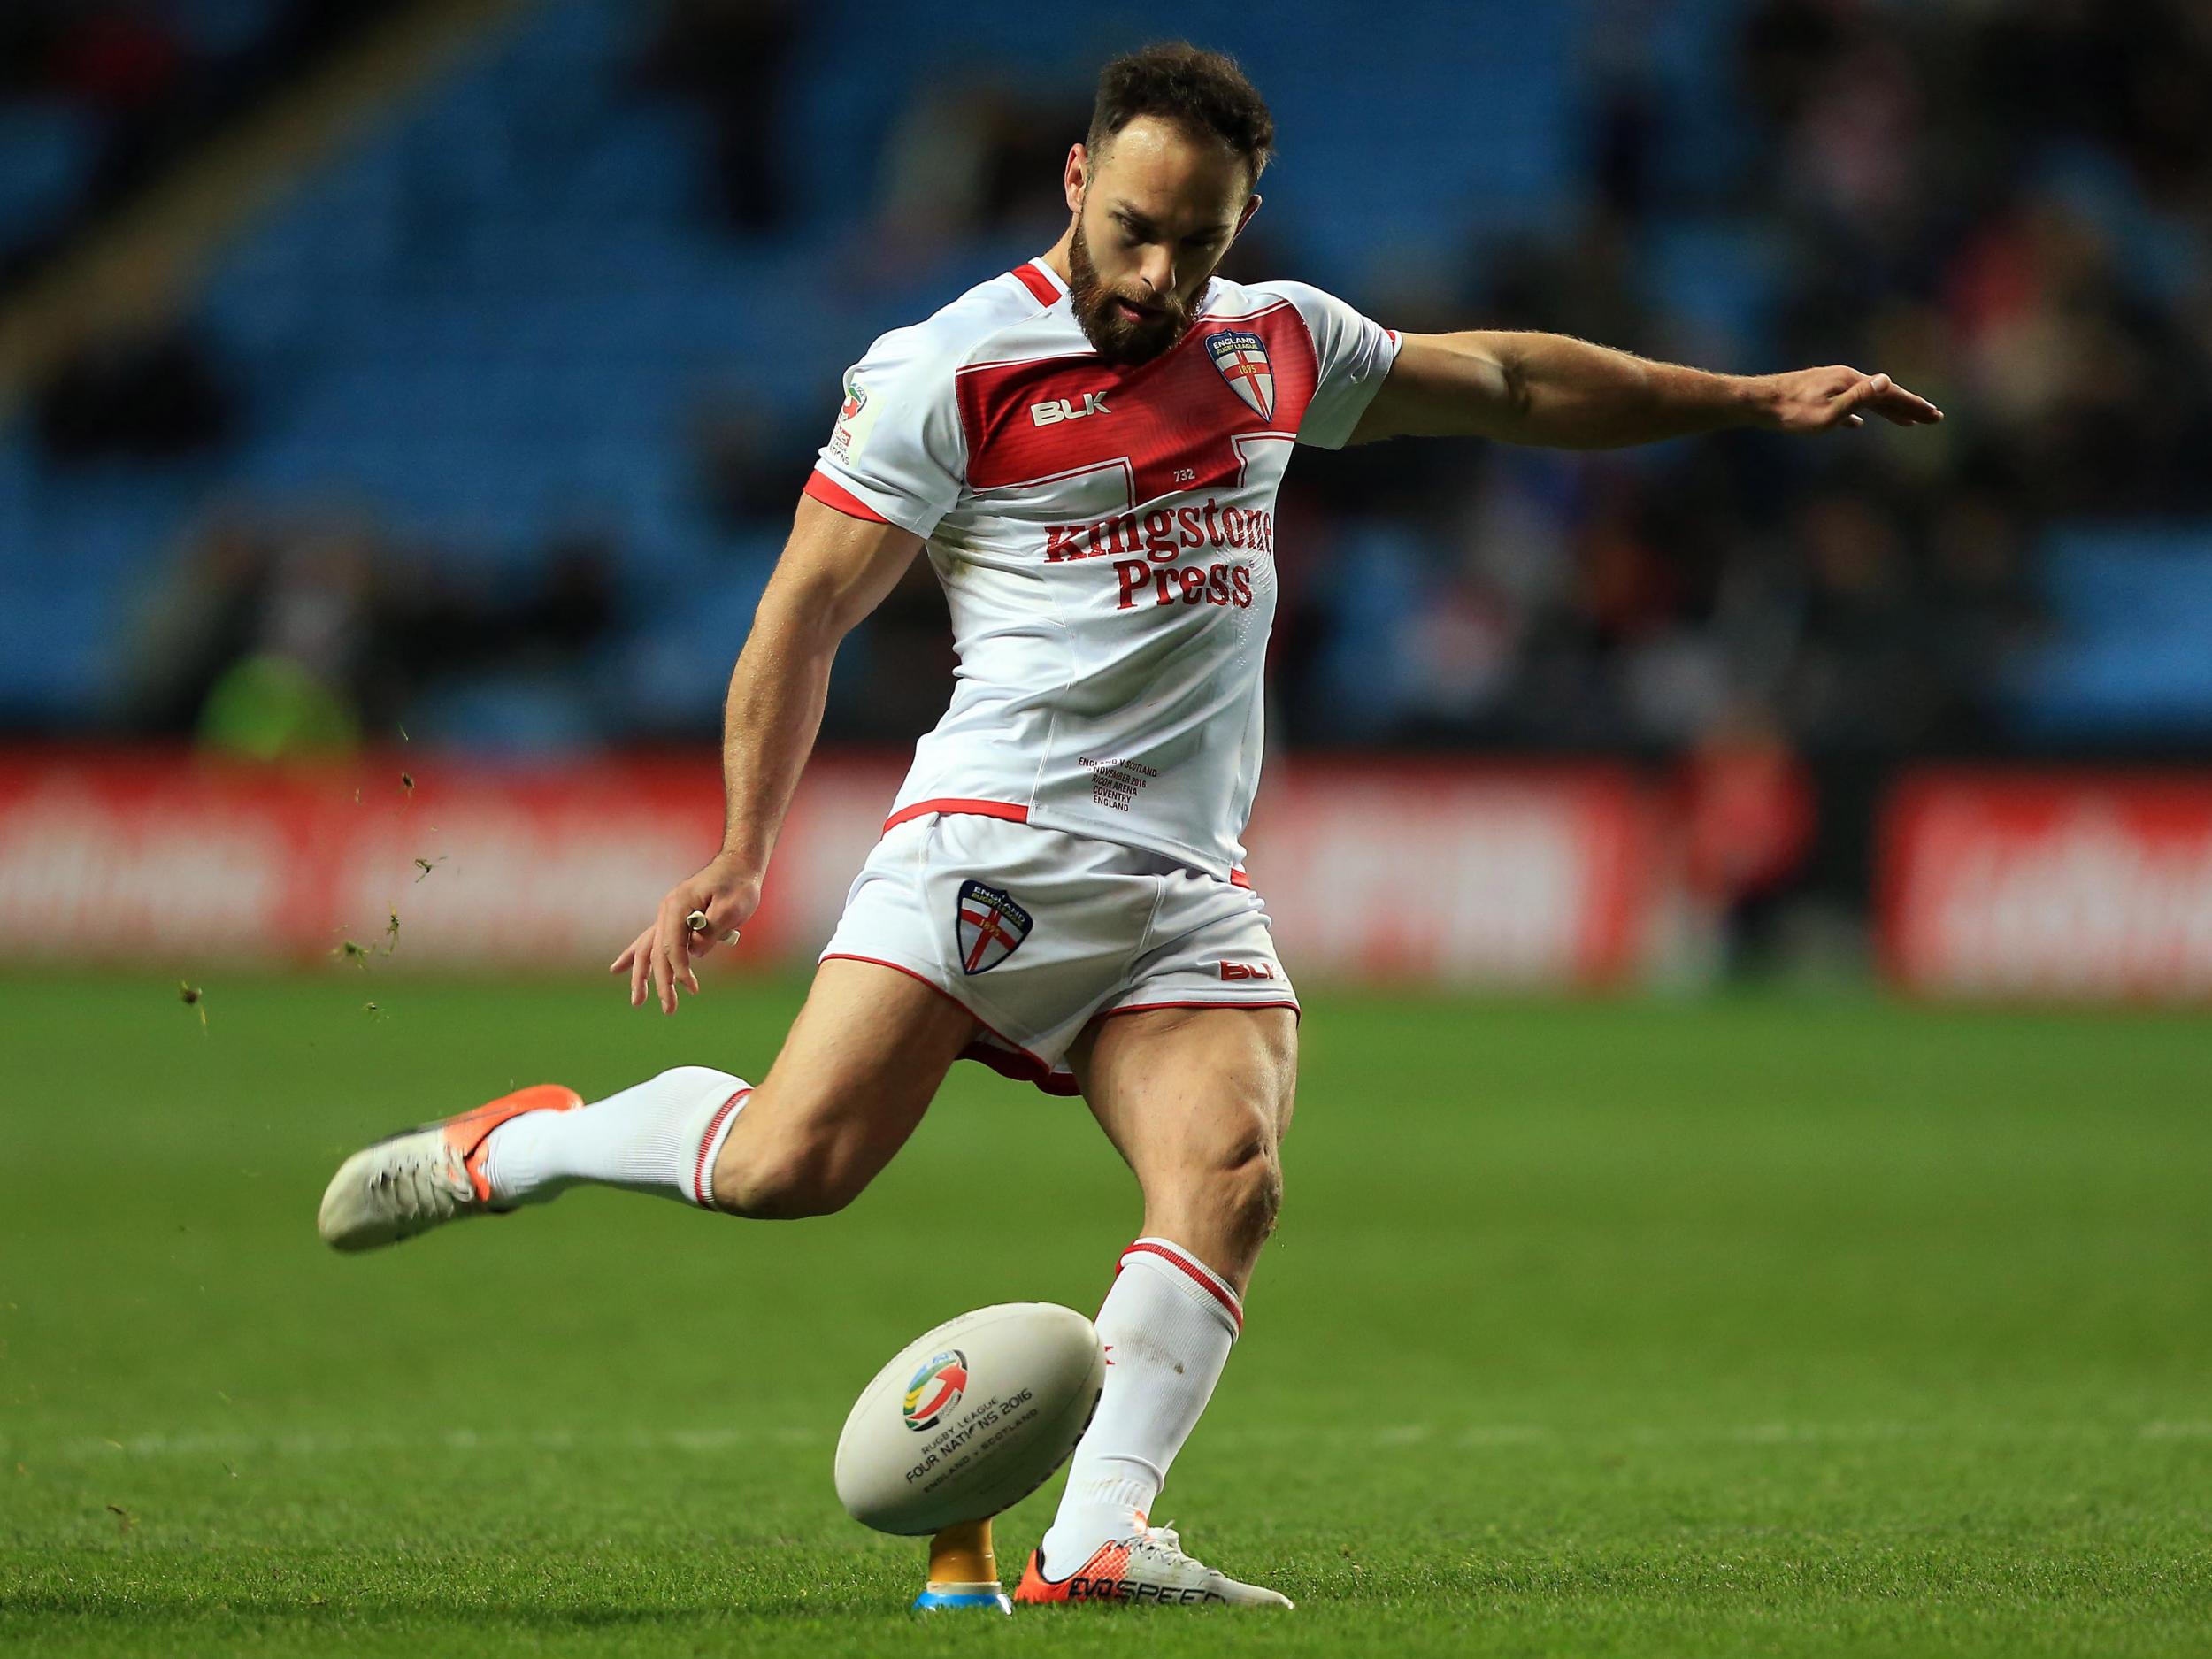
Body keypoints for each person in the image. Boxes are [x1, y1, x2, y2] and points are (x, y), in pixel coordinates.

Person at [317, 41, 1940, 1609]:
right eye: (1135, 231)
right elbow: (802, 614)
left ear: (1244, 229)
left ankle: (1098, 1536)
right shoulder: (946, 370)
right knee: (788, 1170)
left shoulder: (1281, 345)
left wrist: (1745, 398)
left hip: (1181, 885)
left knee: (1230, 1172)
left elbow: (1508, 379)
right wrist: (742, 845)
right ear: (1078, 179)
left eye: (1201, 241)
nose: (1159, 276)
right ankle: (517, 1146)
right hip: (991, 847)